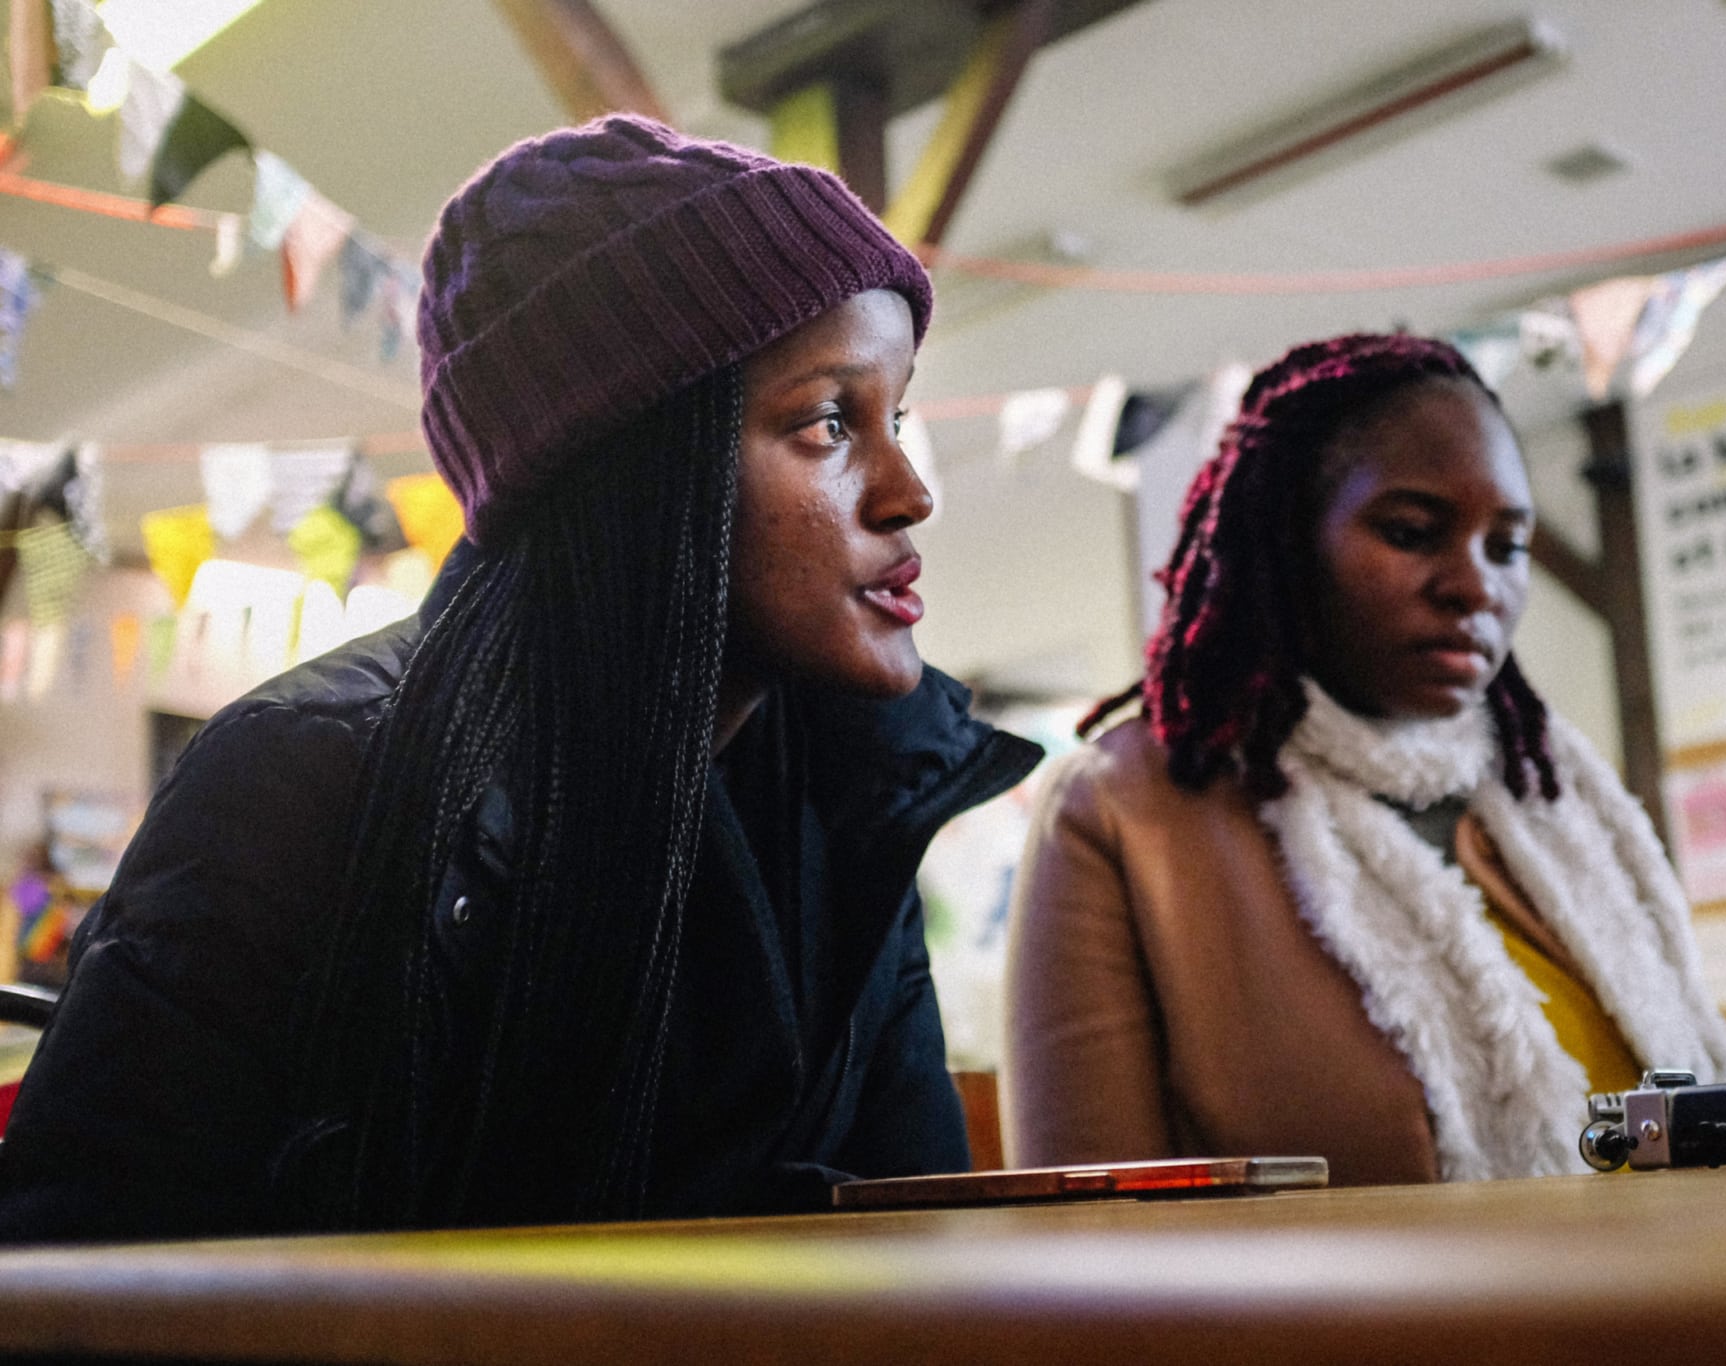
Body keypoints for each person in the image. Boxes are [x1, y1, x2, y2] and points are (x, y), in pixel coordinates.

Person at [0, 116, 1041, 1241]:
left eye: (899, 415)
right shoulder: (302, 783)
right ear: (641, 467)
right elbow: (79, 1289)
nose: (907, 489)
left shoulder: (854, 798)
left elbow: (914, 1251)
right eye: (830, 420)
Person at [1003, 332, 1726, 1184]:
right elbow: (1090, 1246)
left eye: (1506, 546)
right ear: (1288, 538)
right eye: (1413, 531)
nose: (1474, 586)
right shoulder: (1128, 812)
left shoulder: (1559, 794)